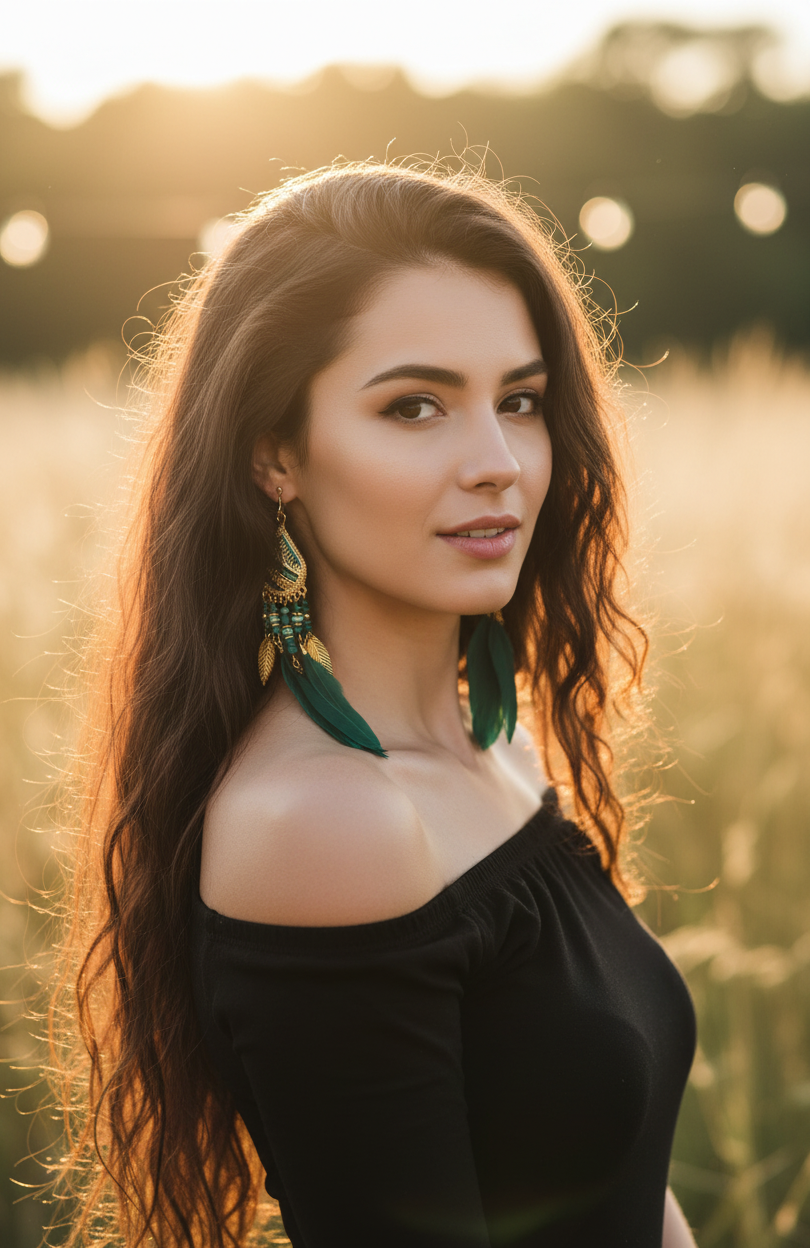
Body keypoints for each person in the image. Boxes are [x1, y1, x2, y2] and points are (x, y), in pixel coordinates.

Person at [45, 160, 698, 1247]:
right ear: (274, 456)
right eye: (414, 406)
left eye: (521, 402)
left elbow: (626, 1182)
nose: (497, 463)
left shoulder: (500, 746)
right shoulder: (325, 824)